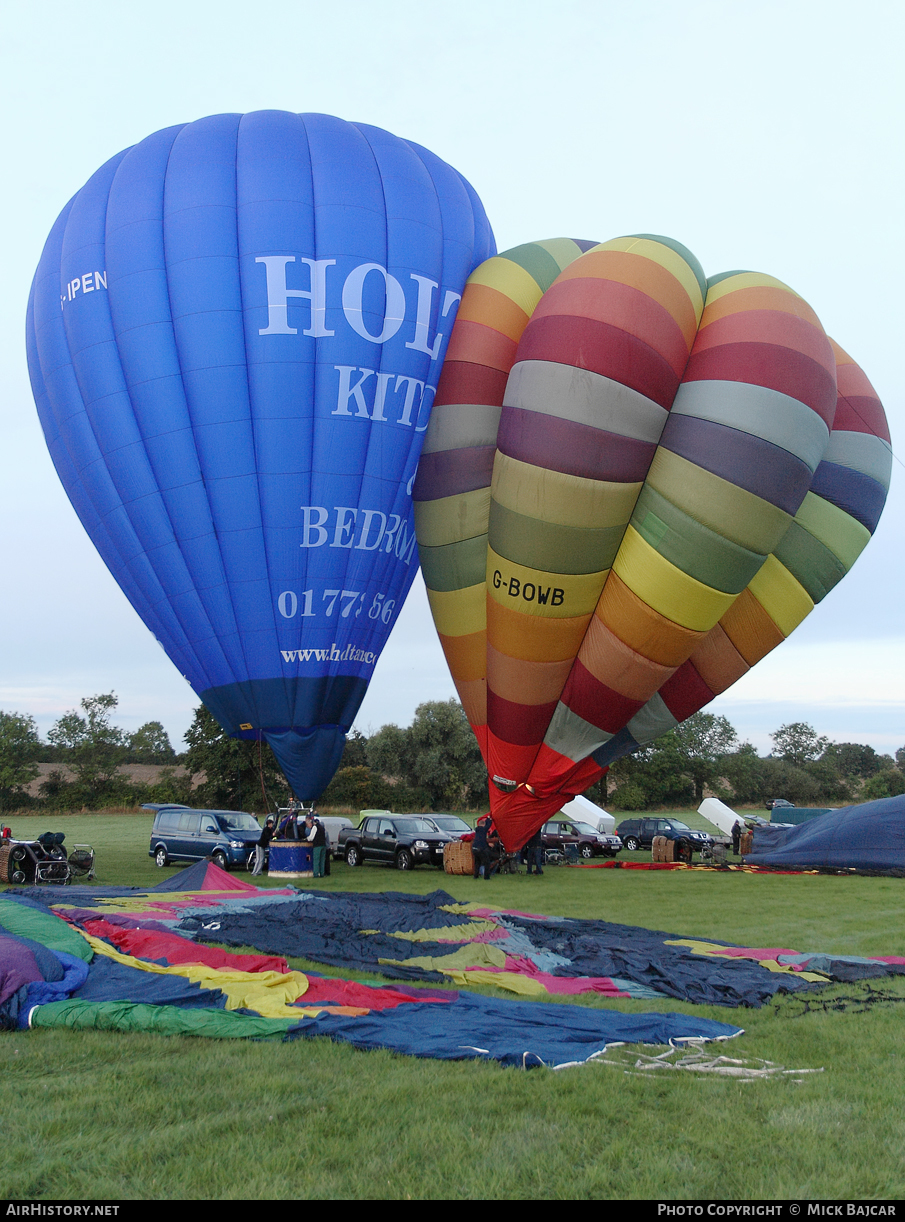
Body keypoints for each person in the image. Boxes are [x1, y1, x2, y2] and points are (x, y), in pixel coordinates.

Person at [305, 811, 327, 878]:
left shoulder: (315, 827)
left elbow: (311, 838)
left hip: (317, 846)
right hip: (323, 845)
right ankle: (322, 873)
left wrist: (306, 838)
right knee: (322, 860)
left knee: (316, 860)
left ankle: (316, 874)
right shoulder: (322, 828)